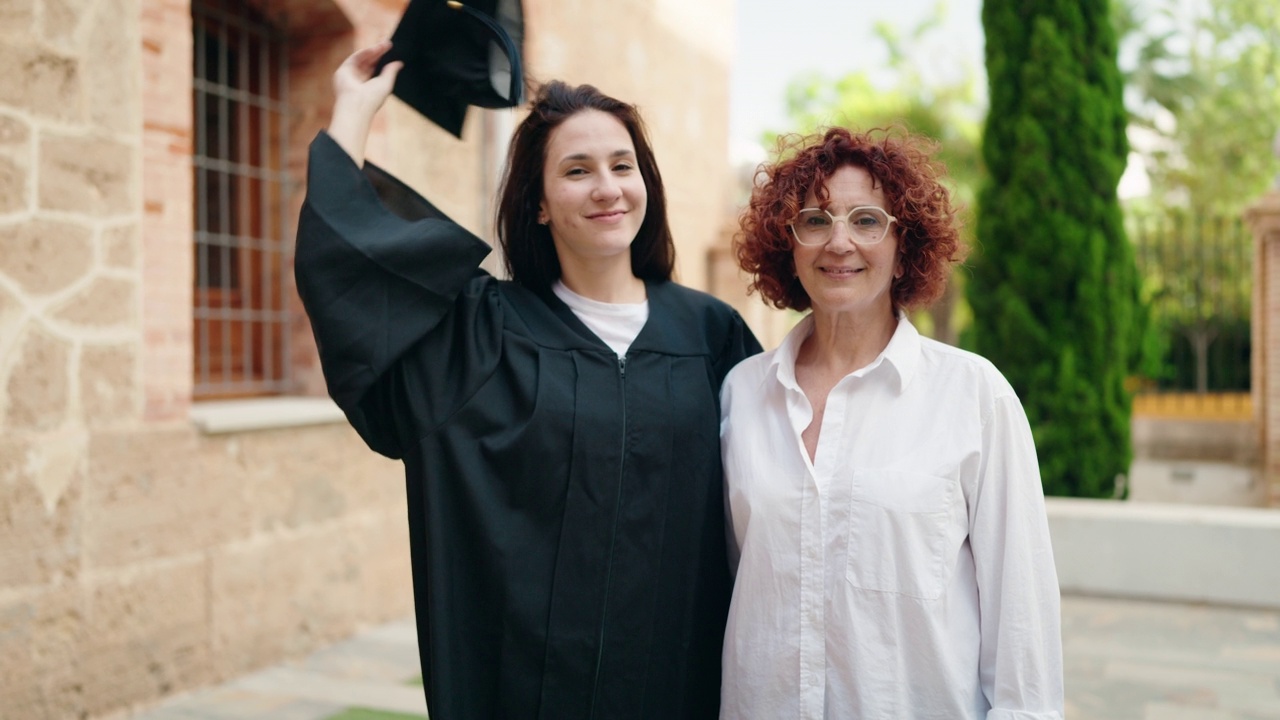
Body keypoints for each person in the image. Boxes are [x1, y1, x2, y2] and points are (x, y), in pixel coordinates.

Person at [295, 42, 761, 720]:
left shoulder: (712, 337)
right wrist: (353, 109)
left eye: (621, 165)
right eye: (577, 170)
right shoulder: (482, 334)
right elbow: (349, 259)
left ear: (645, 185)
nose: (606, 187)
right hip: (527, 693)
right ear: (539, 203)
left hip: (677, 689)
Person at [719, 127, 1064, 719]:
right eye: (816, 220)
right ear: (789, 243)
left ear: (905, 244)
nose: (840, 242)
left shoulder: (972, 394)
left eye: (868, 220)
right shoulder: (742, 393)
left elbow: (1022, 619)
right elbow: (734, 583)